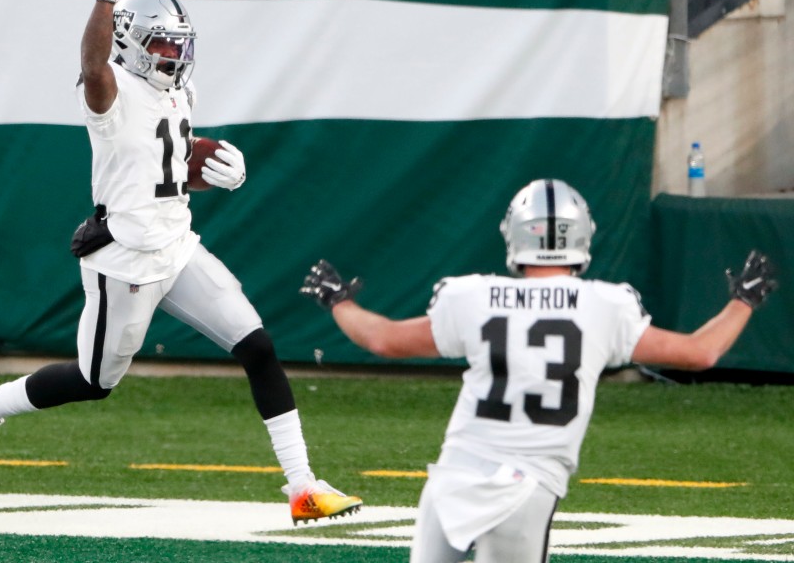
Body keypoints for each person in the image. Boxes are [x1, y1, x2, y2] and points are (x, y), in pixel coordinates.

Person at [0, 0, 362, 524]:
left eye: (179, 42)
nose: (175, 53)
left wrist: (219, 173)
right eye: (163, 43)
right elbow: (94, 67)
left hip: (176, 245)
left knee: (259, 347)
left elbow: (165, 172)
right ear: (132, 40)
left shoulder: (178, 92)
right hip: (126, 260)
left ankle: (302, 485)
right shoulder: (109, 92)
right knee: (96, 380)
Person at [299, 178, 777, 562]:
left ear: (515, 234)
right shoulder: (604, 306)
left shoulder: (474, 296)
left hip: (455, 476)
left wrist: (338, 301)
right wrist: (744, 301)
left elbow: (382, 338)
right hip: (526, 483)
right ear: (583, 235)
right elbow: (700, 353)